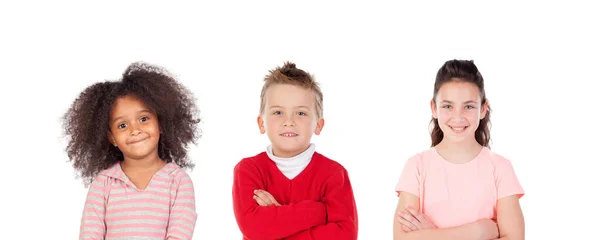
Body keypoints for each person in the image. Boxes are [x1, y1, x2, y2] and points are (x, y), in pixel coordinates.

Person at [63, 62, 201, 240]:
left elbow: (179, 235)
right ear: (111, 137)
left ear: (160, 123)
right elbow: (90, 236)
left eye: (144, 119)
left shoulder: (179, 182)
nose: (135, 130)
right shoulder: (103, 184)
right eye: (122, 125)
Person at [393, 60, 525, 240]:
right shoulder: (417, 166)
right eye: (448, 106)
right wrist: (480, 231)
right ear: (434, 108)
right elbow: (402, 238)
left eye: (469, 106)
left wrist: (431, 234)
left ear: (483, 109)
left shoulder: (500, 167)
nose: (458, 117)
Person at [232, 62, 359, 239]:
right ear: (262, 123)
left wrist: (275, 223)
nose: (289, 121)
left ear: (318, 125)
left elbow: (345, 235)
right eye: (278, 112)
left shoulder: (334, 174)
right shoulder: (248, 170)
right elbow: (254, 228)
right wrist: (318, 211)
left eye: (300, 113)